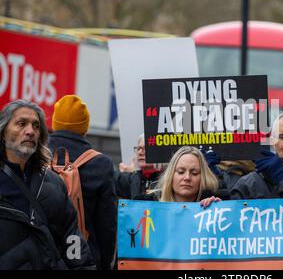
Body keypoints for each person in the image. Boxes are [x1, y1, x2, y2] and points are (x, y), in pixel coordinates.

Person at [0, 99, 94, 269]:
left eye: (36, 126)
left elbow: (71, 238)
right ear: (3, 132)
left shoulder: (53, 182)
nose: (30, 131)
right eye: (21, 124)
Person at [48, 95, 116, 270]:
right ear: (84, 128)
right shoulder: (101, 163)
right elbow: (106, 225)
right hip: (82, 256)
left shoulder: (36, 156)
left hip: (41, 254)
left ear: (55, 123)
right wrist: (104, 261)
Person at [144, 146, 226, 203]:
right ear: (171, 174)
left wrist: (217, 210)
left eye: (194, 173)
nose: (187, 178)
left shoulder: (214, 204)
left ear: (203, 178)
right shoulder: (148, 204)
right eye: (181, 172)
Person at [115, 134, 165, 199]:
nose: (140, 152)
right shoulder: (131, 178)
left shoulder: (168, 179)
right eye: (139, 148)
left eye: (146, 148)